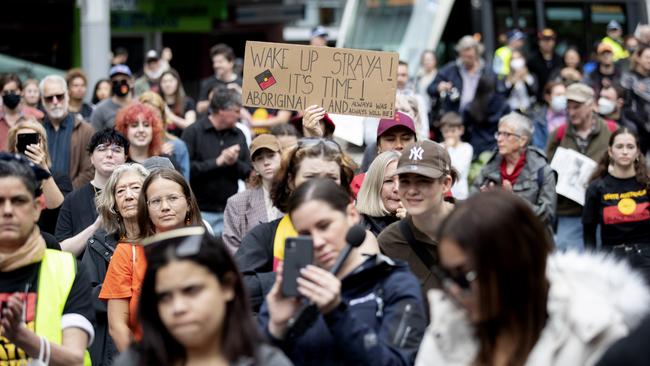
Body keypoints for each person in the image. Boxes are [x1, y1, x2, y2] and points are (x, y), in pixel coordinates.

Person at [415, 190, 650, 366]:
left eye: (464, 276)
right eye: (446, 275)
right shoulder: (445, 328)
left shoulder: (594, 333)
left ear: (514, 265)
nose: (452, 290)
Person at [260, 178, 427, 365]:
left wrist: (337, 313)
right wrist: (276, 329)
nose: (317, 242)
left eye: (324, 226)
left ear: (352, 215)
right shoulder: (293, 288)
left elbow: (397, 362)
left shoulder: (394, 283)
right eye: (305, 234)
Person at [113, 226, 292, 366]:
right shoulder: (135, 361)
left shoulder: (265, 362)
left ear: (227, 286)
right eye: (164, 297)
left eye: (191, 291)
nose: (178, 308)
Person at [235, 138, 356, 310]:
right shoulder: (264, 235)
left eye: (331, 178)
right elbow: (236, 288)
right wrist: (292, 276)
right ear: (291, 181)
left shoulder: (359, 236)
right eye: (310, 177)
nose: (320, 186)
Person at [0, 153, 94, 365]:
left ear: (36, 209)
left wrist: (22, 337)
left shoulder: (67, 270)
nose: (7, 211)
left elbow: (75, 358)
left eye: (18, 201)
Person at [100, 168, 203, 352]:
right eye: (155, 201)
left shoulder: (206, 248)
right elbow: (117, 327)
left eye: (172, 198)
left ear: (188, 204)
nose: (164, 207)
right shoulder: (127, 252)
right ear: (146, 207)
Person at [81, 163, 149, 366]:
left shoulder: (162, 238)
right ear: (113, 203)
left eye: (136, 188)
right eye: (120, 191)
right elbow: (85, 296)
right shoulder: (98, 243)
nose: (128, 196)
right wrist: (121, 290)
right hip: (110, 345)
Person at [378, 140, 457, 293]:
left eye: (423, 181)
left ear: (446, 184)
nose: (412, 191)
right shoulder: (390, 242)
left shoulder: (477, 223)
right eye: (405, 181)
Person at [547, 82, 617, 251]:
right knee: (569, 267)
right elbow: (546, 171)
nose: (571, 112)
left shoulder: (611, 131)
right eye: (568, 107)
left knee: (603, 266)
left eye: (576, 107)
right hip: (570, 213)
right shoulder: (559, 134)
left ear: (590, 105)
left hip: (603, 212)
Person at [182, 87, 251, 235]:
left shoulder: (238, 134)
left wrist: (234, 162)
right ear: (222, 111)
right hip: (200, 211)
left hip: (230, 211)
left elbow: (248, 172)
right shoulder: (193, 132)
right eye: (237, 111)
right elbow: (185, 171)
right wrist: (218, 162)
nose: (239, 116)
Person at [583, 128, 650, 274]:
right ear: (610, 151)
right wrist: (592, 264)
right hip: (610, 261)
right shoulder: (596, 188)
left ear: (637, 151)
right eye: (619, 146)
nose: (625, 151)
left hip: (645, 259)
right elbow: (589, 232)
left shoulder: (647, 185)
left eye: (630, 147)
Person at [472, 113, 557, 227]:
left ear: (522, 140)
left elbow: (547, 215)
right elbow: (471, 201)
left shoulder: (542, 170)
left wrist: (513, 200)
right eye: (499, 133)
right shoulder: (490, 165)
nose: (500, 139)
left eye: (507, 134)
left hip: (528, 240)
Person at [56, 129, 129, 255]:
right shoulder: (73, 199)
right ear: (91, 157)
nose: (109, 154)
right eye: (102, 149)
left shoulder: (132, 195)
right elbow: (60, 251)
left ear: (125, 158)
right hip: (85, 271)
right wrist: (95, 227)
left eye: (117, 150)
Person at [6, 118, 68, 235]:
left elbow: (58, 210)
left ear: (43, 146)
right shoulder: (5, 178)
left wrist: (42, 168)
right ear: (13, 148)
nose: (28, 147)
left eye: (33, 141)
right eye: (21, 141)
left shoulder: (59, 178)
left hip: (48, 239)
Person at [223, 134, 282, 254]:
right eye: (260, 158)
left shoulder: (297, 196)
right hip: (251, 269)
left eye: (271, 156)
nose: (266, 162)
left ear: (282, 157)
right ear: (254, 165)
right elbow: (231, 247)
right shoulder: (237, 202)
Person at [40, 75, 95, 188]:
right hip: (41, 200)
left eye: (59, 96)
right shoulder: (35, 129)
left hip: (73, 201)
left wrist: (67, 196)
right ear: (42, 101)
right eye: (49, 98)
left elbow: (89, 171)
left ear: (67, 96)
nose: (55, 102)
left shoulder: (86, 130)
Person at [429, 35, 497, 116]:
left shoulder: (487, 70)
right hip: (457, 118)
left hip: (482, 118)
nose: (466, 58)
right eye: (463, 54)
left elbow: (497, 93)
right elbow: (430, 88)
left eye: (469, 54)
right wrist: (439, 87)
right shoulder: (451, 69)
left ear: (476, 52)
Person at [356, 110, 417, 195]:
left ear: (415, 143)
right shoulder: (359, 185)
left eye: (406, 138)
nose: (399, 145)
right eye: (390, 139)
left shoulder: (429, 181)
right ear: (378, 146)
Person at [139, 91, 190, 180]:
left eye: (156, 117)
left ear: (163, 118)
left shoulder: (177, 146)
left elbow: (184, 185)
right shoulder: (130, 145)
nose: (151, 122)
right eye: (146, 117)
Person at [356, 151, 404, 236]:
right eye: (388, 181)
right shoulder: (357, 226)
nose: (397, 188)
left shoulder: (422, 222)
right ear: (374, 186)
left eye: (403, 181)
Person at [464, 74, 511, 156]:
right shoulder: (504, 106)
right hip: (496, 147)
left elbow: (465, 130)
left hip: (475, 147)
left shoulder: (470, 107)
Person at [0, 74, 44, 150]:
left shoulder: (31, 120)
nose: (10, 94)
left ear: (21, 92)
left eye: (13, 91)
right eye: (6, 92)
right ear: (1, 93)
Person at [197, 44, 242, 114]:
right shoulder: (208, 82)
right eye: (214, 62)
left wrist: (240, 93)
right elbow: (199, 108)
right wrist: (215, 99)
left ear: (231, 62)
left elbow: (252, 108)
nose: (216, 65)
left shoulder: (241, 83)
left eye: (220, 62)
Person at [621, 45, 650, 154]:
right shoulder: (628, 79)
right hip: (637, 128)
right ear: (638, 58)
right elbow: (627, 107)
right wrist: (644, 124)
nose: (649, 60)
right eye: (647, 57)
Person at [91, 64, 134, 131]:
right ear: (110, 84)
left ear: (131, 82)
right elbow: (94, 137)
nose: (120, 84)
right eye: (115, 82)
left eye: (124, 81)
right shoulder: (100, 110)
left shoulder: (140, 106)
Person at [440, 112, 473, 199]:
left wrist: (448, 149)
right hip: (442, 192)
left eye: (453, 131)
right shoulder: (439, 147)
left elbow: (458, 170)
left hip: (460, 193)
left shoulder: (467, 148)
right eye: (446, 131)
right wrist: (446, 149)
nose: (449, 135)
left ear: (461, 130)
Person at [527, 28, 563, 101]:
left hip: (556, 98)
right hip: (537, 99)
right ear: (539, 42)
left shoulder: (559, 59)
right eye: (544, 40)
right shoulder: (532, 60)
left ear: (554, 42)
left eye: (550, 40)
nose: (547, 43)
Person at [159, 69, 196, 136]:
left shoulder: (187, 102)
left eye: (171, 81)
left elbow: (190, 125)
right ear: (160, 84)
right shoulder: (157, 103)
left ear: (177, 82)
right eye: (164, 81)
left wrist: (170, 115)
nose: (168, 84)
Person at [531, 81, 567, 149]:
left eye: (564, 95)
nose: (563, 98)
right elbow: (537, 147)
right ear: (547, 97)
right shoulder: (538, 119)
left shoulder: (572, 116)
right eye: (558, 95)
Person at [500, 50, 537, 114]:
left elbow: (533, 93)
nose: (516, 61)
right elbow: (504, 95)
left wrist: (524, 79)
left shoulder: (531, 76)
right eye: (514, 59)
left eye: (518, 58)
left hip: (528, 110)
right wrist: (514, 81)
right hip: (512, 110)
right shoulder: (506, 78)